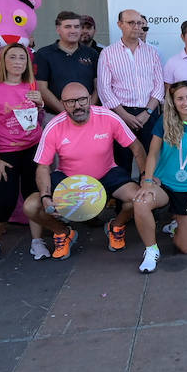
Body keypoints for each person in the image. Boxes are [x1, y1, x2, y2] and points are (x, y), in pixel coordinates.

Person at [25, 83, 147, 267]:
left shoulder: (107, 117)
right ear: (62, 104)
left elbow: (137, 148)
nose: (78, 105)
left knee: (140, 199)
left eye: (82, 100)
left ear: (90, 99)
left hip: (106, 174)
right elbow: (43, 167)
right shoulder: (54, 126)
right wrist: (45, 196)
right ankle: (63, 233)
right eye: (71, 102)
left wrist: (145, 179)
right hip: (69, 180)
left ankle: (115, 226)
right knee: (31, 206)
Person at [0, 43, 47, 263]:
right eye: (13, 57)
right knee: (5, 201)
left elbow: (36, 116)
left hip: (32, 149)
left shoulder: (30, 84)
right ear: (3, 61)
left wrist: (41, 103)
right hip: (6, 151)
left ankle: (37, 241)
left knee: (33, 196)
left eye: (22, 58)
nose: (17, 62)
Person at [133, 81, 187, 265]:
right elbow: (152, 154)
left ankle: (177, 225)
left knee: (186, 248)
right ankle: (151, 250)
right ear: (173, 103)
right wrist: (148, 181)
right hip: (164, 185)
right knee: (140, 201)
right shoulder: (165, 122)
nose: (185, 102)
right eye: (180, 99)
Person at [97, 8, 164, 173]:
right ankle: (123, 197)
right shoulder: (107, 53)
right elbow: (104, 88)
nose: (136, 26)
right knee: (121, 160)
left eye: (139, 23)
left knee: (151, 158)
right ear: (120, 24)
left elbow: (159, 86)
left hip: (148, 113)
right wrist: (124, 115)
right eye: (131, 22)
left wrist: (147, 112)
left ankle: (150, 194)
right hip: (120, 114)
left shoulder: (152, 53)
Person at [35, 11, 98, 115]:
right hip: (55, 115)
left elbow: (98, 87)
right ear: (58, 29)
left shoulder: (92, 54)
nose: (73, 30)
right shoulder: (44, 54)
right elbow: (42, 88)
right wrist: (65, 112)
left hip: (87, 115)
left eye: (77, 26)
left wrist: (88, 110)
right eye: (68, 27)